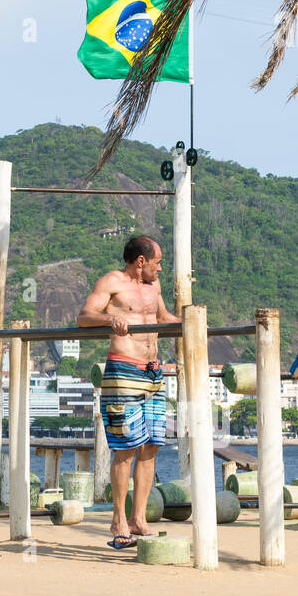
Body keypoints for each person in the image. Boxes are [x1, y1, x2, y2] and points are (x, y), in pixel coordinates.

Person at [76, 235, 179, 549]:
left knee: (151, 447)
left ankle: (139, 519)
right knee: (127, 448)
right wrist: (110, 318)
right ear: (141, 261)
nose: (160, 269)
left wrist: (194, 323)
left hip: (153, 372)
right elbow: (83, 317)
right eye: (157, 262)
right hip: (124, 369)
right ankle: (118, 520)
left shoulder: (154, 288)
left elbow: (163, 318)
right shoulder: (112, 282)